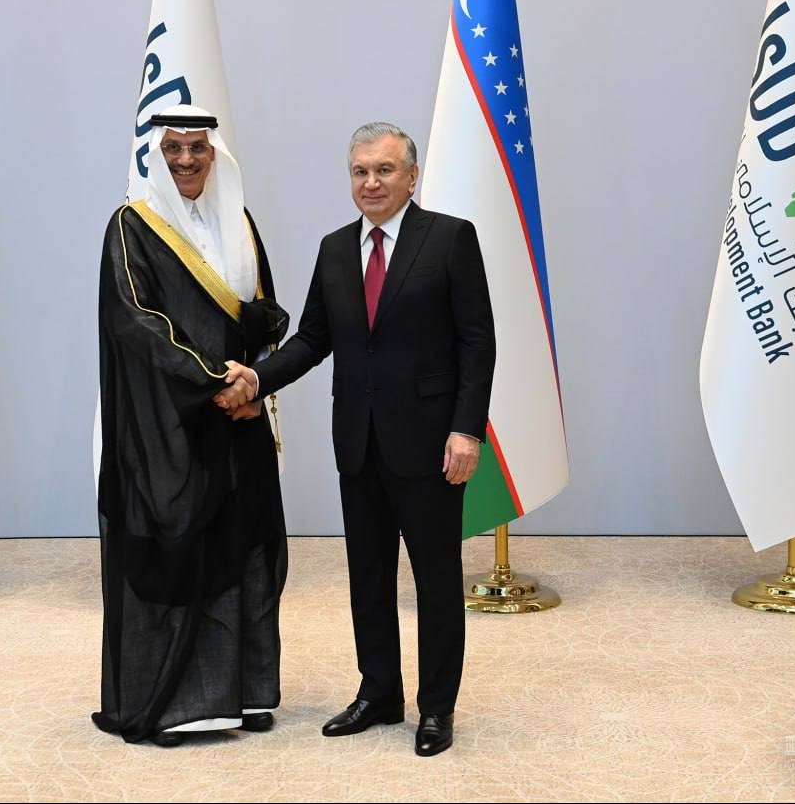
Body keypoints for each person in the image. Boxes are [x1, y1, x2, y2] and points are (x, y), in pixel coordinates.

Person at [217, 122, 496, 757]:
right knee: (367, 577)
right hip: (358, 442)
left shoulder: (450, 239)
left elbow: (477, 341)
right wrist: (257, 378)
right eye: (360, 171)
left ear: (411, 176)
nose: (371, 182)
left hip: (431, 444)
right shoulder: (336, 248)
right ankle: (379, 693)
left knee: (435, 582)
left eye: (384, 170)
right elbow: (313, 339)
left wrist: (466, 429)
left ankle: (436, 707)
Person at [92, 105, 289, 747]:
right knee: (177, 552)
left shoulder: (239, 221)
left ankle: (246, 693)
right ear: (158, 154)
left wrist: (254, 382)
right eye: (173, 148)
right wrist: (212, 380)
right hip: (168, 425)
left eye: (197, 148)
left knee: (245, 546)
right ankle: (177, 704)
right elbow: (135, 322)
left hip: (238, 418)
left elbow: (261, 308)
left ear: (215, 154)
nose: (185, 160)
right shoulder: (132, 225)